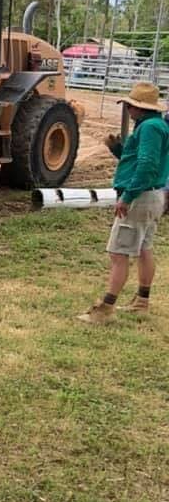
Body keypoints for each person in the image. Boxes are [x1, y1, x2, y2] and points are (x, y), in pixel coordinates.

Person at [78, 81, 169, 324]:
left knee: (118, 253)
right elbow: (140, 160)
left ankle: (105, 309)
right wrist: (118, 150)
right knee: (143, 248)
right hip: (152, 195)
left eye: (131, 105)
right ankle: (142, 300)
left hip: (140, 196)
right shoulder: (155, 125)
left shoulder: (149, 128)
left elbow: (147, 164)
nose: (128, 109)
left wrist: (128, 196)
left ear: (140, 107)